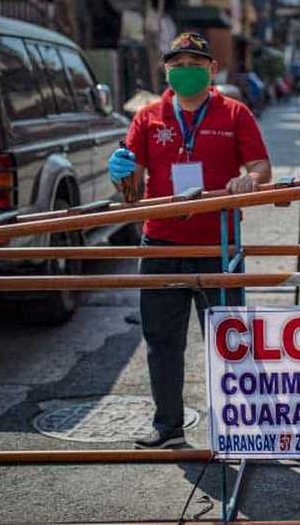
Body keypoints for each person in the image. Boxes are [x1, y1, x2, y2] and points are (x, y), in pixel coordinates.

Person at [108, 32, 272, 449]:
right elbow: (131, 192)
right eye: (177, 65)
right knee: (162, 342)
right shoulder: (147, 117)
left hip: (218, 248)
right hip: (161, 246)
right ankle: (168, 429)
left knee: (229, 341)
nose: (185, 72)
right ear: (166, 70)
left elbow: (261, 167)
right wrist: (121, 172)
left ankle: (238, 429)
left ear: (212, 69)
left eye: (194, 65)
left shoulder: (234, 113)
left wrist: (247, 180)